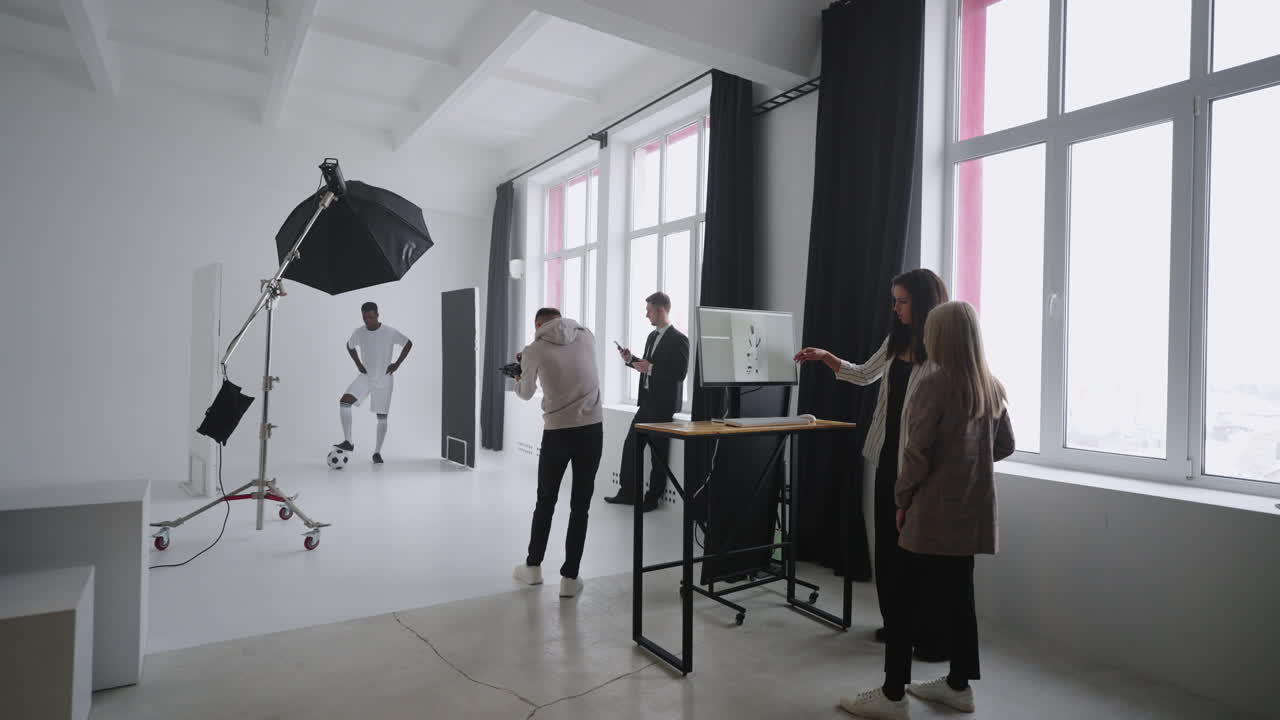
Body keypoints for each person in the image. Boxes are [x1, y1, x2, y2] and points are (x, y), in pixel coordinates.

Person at [838, 300, 1015, 719]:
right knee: (959, 597)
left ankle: (893, 695)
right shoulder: (990, 385)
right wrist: (965, 466)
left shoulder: (933, 385)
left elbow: (914, 457)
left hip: (929, 512)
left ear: (941, 336)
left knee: (900, 600)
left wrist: (901, 501)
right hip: (971, 513)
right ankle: (958, 685)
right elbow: (1003, 445)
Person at [794, 269, 949, 660]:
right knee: (889, 547)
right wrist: (826, 357)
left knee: (922, 551)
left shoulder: (945, 348)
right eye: (893, 300)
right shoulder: (896, 340)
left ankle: (930, 632)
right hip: (885, 456)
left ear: (925, 301)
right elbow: (864, 375)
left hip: (921, 464)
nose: (895, 308)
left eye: (902, 301)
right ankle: (896, 622)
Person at [512, 308, 603, 598]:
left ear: (538, 324)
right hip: (592, 429)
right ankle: (570, 578)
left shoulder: (534, 349)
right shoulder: (587, 336)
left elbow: (525, 393)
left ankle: (533, 567)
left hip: (557, 432)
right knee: (581, 505)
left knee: (546, 500)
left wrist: (521, 372)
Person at [603, 292, 690, 512]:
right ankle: (628, 493)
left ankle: (652, 499)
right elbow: (647, 366)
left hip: (663, 406)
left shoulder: (680, 339)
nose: (646, 314)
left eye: (649, 310)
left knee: (658, 455)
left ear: (661, 310)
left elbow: (679, 373)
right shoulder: (652, 337)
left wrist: (649, 368)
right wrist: (630, 360)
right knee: (631, 446)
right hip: (647, 403)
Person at [333, 302, 412, 464]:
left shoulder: (389, 332)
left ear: (377, 315)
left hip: (384, 378)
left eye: (370, 317)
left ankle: (377, 452)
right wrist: (358, 364)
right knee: (344, 402)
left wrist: (396, 364)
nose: (367, 320)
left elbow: (408, 343)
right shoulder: (359, 332)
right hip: (366, 376)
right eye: (364, 317)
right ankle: (348, 441)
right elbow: (349, 346)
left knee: (382, 417)